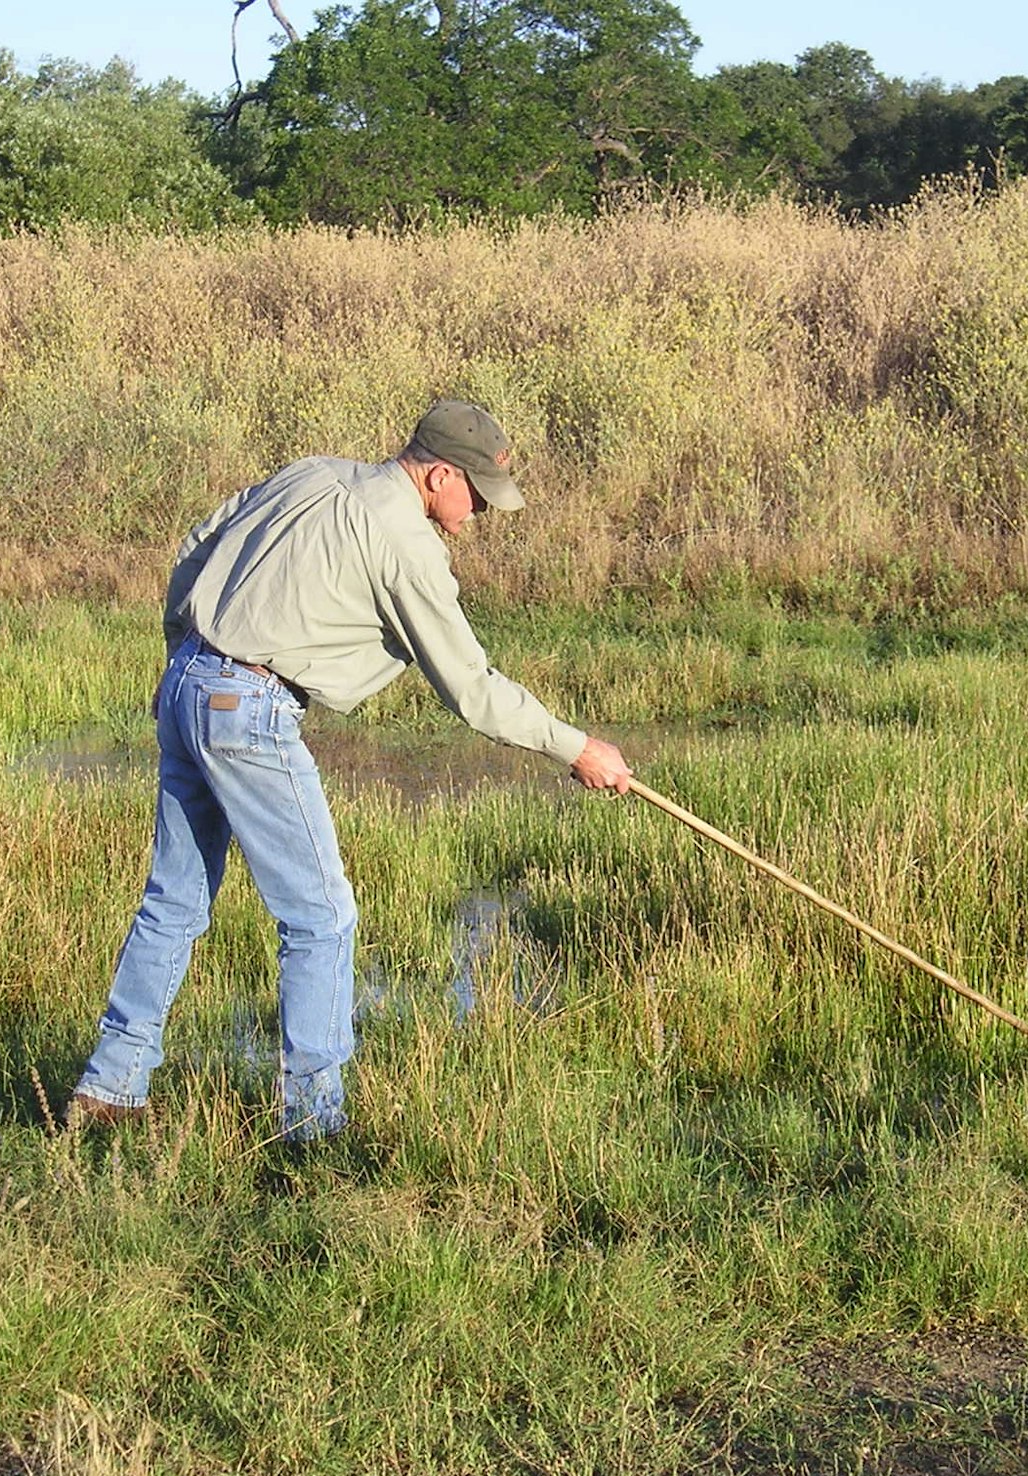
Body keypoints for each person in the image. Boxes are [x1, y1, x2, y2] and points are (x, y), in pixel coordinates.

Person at [67, 400, 634, 1142]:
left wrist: (183, 652)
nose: (483, 514)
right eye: (477, 496)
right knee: (321, 917)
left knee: (175, 902)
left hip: (189, 684)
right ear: (437, 475)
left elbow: (198, 545)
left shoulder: (313, 474)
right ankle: (312, 1125)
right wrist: (577, 747)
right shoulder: (402, 540)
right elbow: (471, 690)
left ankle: (112, 1084)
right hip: (252, 708)